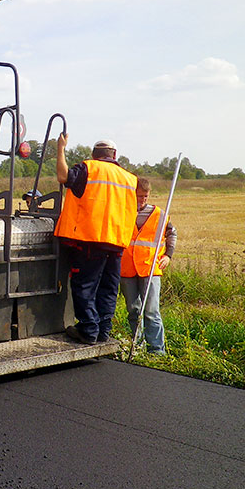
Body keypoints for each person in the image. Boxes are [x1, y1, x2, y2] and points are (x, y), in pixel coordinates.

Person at [54, 135, 137, 345]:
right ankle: (103, 331)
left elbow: (63, 176)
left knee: (85, 286)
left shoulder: (88, 169)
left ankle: (88, 330)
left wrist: (61, 148)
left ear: (93, 155)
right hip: (116, 242)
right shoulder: (129, 177)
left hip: (90, 239)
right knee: (108, 288)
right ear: (114, 155)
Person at [120, 177, 177, 354]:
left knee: (151, 311)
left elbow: (171, 234)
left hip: (150, 268)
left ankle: (157, 351)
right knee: (133, 310)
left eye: (145, 196)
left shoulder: (159, 214)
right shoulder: (122, 212)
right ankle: (137, 346)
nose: (142, 200)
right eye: (139, 196)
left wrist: (168, 255)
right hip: (127, 268)